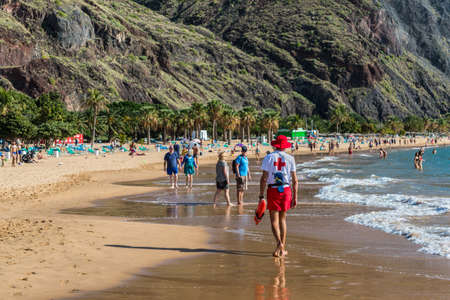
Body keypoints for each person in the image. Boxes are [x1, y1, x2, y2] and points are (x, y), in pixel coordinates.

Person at [259, 135, 298, 257]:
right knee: (283, 219)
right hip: (286, 190)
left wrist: (261, 194)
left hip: (273, 190)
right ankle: (282, 248)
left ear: (275, 145)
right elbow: (295, 180)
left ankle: (279, 244)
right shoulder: (290, 158)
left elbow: (264, 178)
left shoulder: (268, 157)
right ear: (285, 146)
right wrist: (295, 197)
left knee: (274, 220)